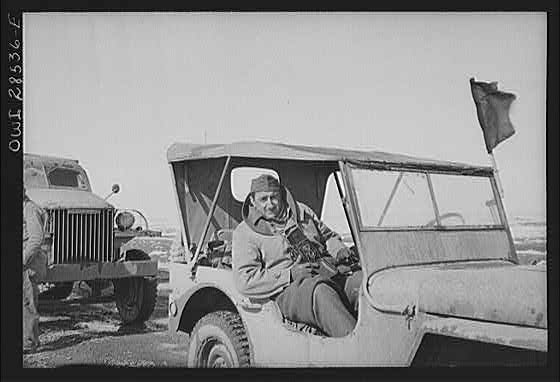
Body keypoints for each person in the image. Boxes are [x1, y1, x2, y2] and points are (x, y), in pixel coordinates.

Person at [232, 174, 362, 338]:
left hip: (328, 271)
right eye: (263, 199)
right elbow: (245, 280)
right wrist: (290, 275)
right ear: (252, 201)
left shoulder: (302, 212)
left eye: (274, 197)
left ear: (280, 195)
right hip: (289, 290)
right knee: (322, 293)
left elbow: (328, 237)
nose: (270, 204)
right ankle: (357, 348)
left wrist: (339, 250)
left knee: (363, 283)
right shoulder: (245, 233)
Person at [23, 187, 47, 353]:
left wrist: (23, 260)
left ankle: (29, 343)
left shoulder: (30, 209)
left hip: (28, 263)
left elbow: (36, 239)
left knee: (28, 302)